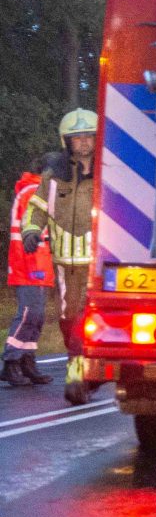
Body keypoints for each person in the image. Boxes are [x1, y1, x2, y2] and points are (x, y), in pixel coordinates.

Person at [21, 110, 98, 404]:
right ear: (67, 141)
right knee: (69, 320)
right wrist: (30, 230)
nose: (84, 142)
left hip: (98, 265)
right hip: (65, 264)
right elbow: (37, 207)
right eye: (77, 137)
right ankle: (77, 366)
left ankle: (84, 371)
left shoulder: (108, 171)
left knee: (93, 320)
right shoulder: (53, 177)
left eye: (89, 135)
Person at [2, 160, 53, 386]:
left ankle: (26, 360)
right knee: (28, 314)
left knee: (37, 316)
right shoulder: (32, 192)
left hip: (39, 264)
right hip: (29, 264)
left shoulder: (37, 191)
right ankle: (11, 361)